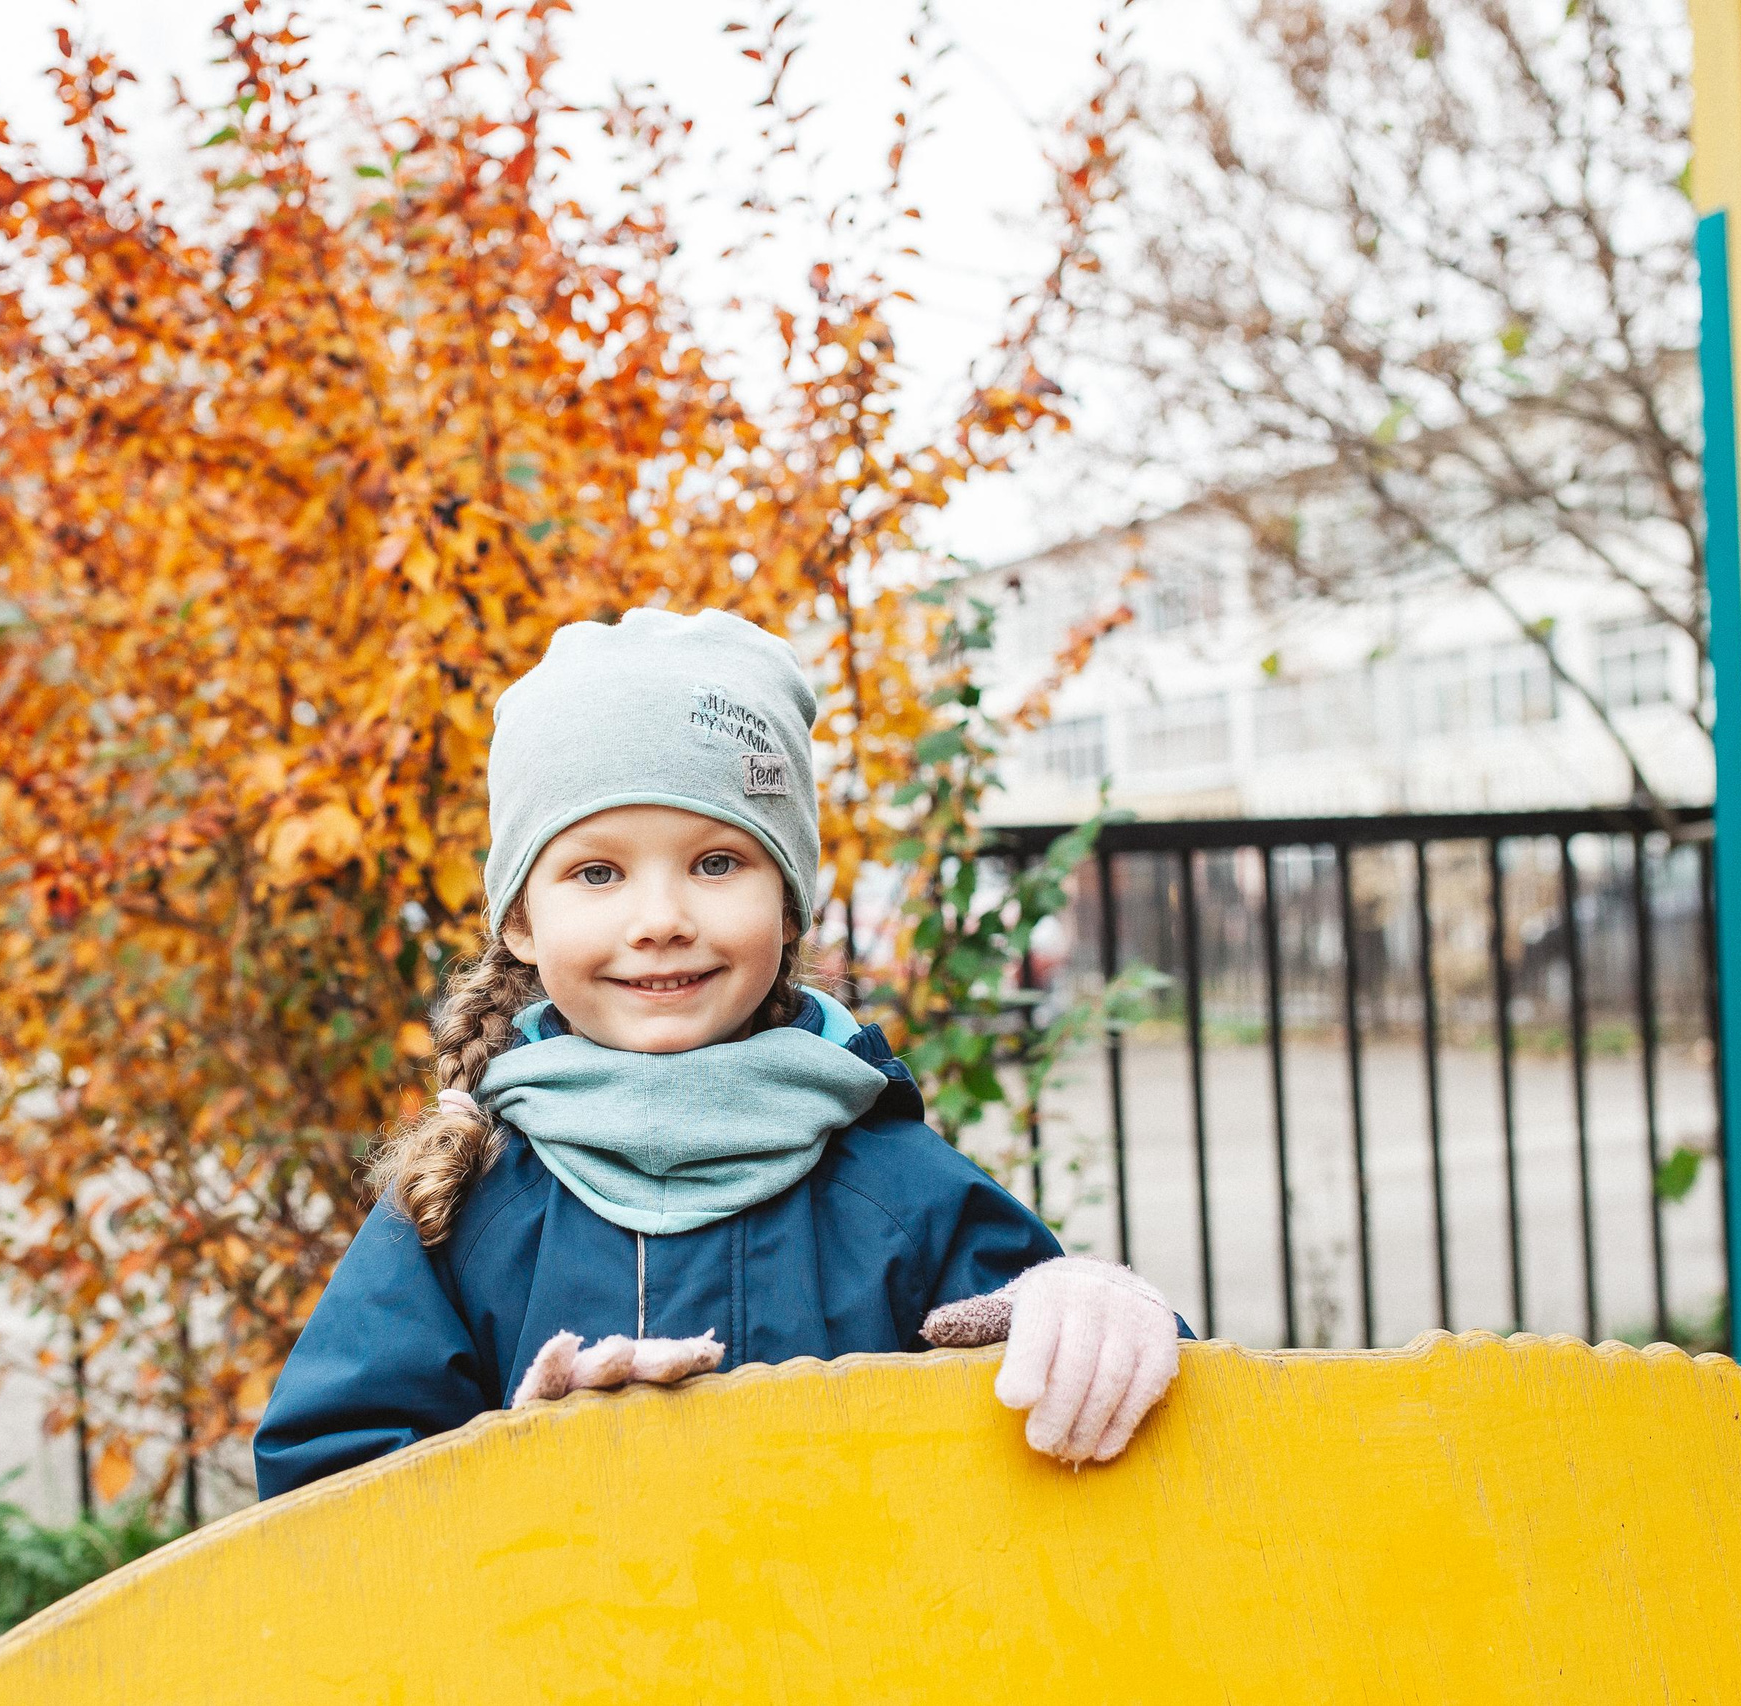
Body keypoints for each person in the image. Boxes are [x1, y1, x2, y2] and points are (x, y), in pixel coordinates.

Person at [253, 609, 1186, 1498]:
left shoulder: (899, 1193)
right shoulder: (466, 1204)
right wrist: (516, 1476)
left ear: (785, 908)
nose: (660, 921)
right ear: (525, 921)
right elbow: (324, 1489)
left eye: (715, 863)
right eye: (598, 872)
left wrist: (1095, 1315)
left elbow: (1105, 1437)